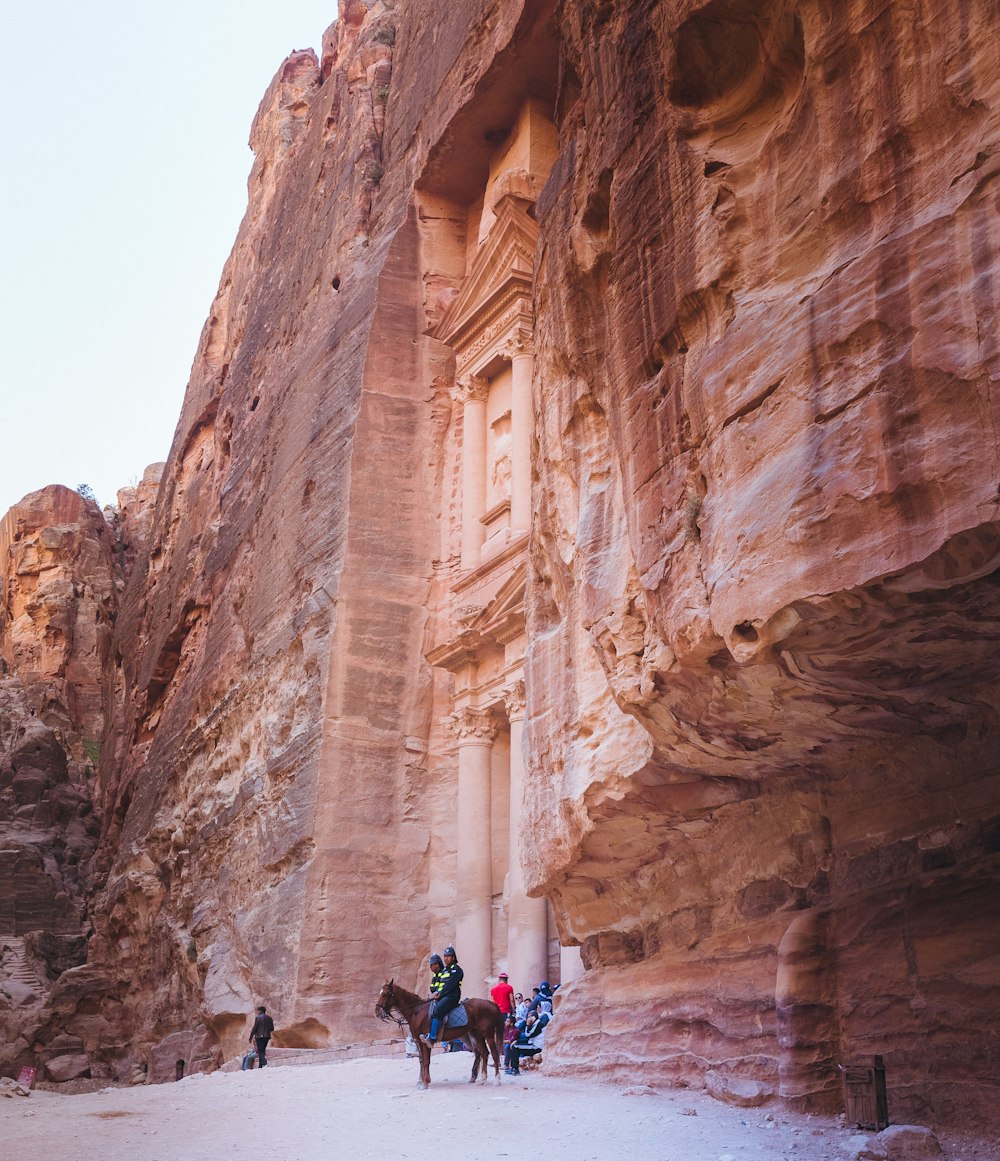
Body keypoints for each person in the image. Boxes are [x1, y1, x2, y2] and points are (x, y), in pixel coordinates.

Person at [420, 945, 462, 1048]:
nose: (446, 958)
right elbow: (440, 985)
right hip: (444, 996)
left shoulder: (457, 970)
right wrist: (435, 994)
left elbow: (450, 985)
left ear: (453, 957)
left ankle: (432, 1037)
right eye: (445, 956)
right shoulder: (444, 971)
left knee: (437, 1011)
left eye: (448, 956)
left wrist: (440, 994)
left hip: (452, 996)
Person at [506, 1006, 550, 1075]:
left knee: (515, 1047)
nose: (528, 1018)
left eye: (529, 1017)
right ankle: (512, 1068)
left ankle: (515, 1069)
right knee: (514, 1042)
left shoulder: (539, 1024)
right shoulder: (535, 1024)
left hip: (536, 1047)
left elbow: (528, 1035)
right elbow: (528, 1035)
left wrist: (528, 1024)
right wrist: (516, 1041)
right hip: (532, 1043)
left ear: (534, 1017)